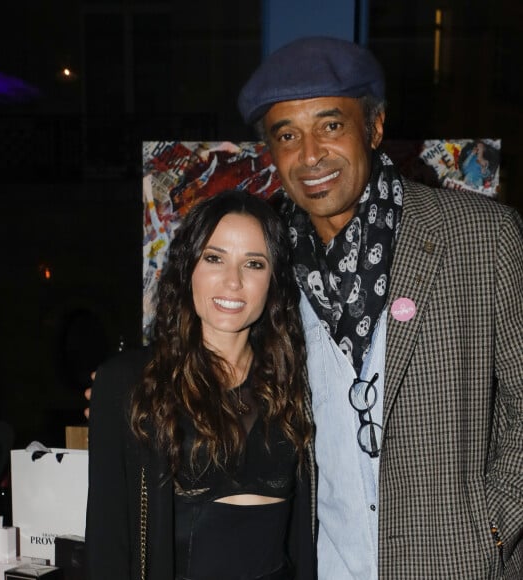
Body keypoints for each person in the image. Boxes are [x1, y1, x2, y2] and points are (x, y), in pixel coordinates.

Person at [236, 36, 523, 580]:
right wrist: (124, 393)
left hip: (463, 566)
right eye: (287, 135)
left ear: (374, 126)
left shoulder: (481, 237)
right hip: (325, 565)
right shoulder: (266, 265)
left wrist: (493, 527)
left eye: (331, 125)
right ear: (271, 153)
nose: (310, 155)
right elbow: (214, 370)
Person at [85, 189, 317, 580]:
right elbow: (107, 542)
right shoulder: (127, 382)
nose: (233, 281)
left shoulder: (299, 382)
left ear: (274, 280)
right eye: (214, 258)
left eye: (254, 264)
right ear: (188, 267)